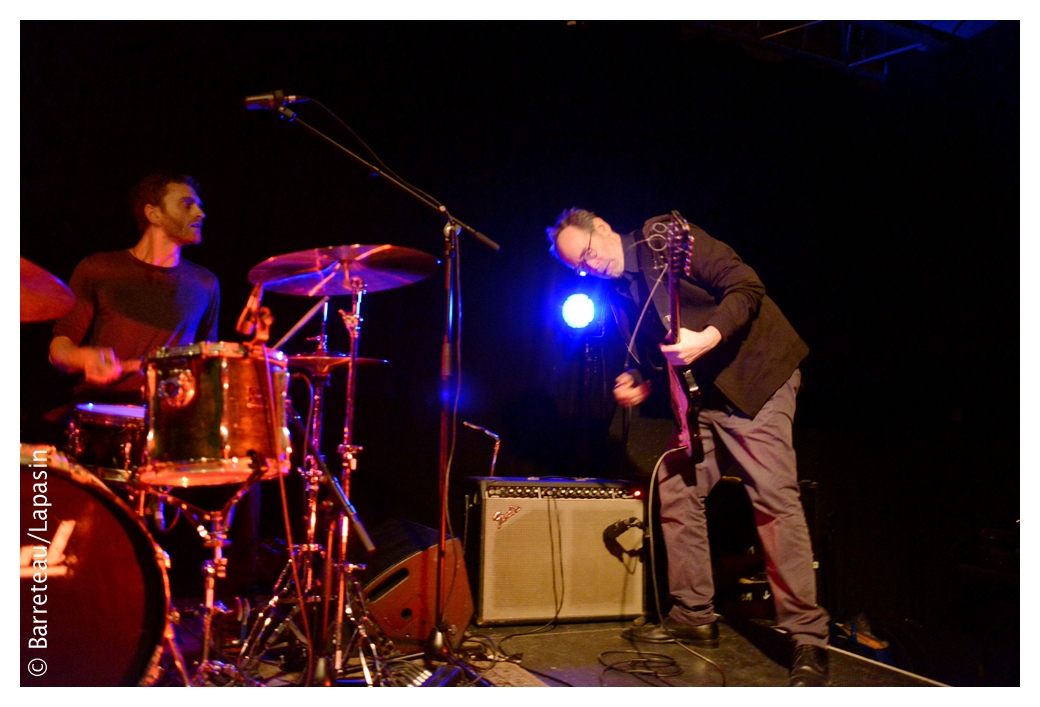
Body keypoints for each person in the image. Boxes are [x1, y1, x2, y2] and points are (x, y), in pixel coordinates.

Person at [546, 207, 830, 687]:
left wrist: (710, 336)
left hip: (755, 377)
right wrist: (638, 378)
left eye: (589, 253)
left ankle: (808, 636)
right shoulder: (616, 294)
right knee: (676, 484)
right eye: (579, 265)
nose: (589, 267)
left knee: (774, 498)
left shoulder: (664, 238)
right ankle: (694, 613)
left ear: (606, 230)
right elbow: (661, 355)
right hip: (705, 398)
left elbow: (747, 286)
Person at [50, 171, 257, 601]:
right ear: (152, 213)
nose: (200, 212)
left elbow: (202, 362)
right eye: (186, 203)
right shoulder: (100, 268)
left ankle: (219, 602)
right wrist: (84, 357)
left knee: (250, 471)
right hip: (99, 412)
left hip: (169, 421)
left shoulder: (205, 283)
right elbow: (59, 348)